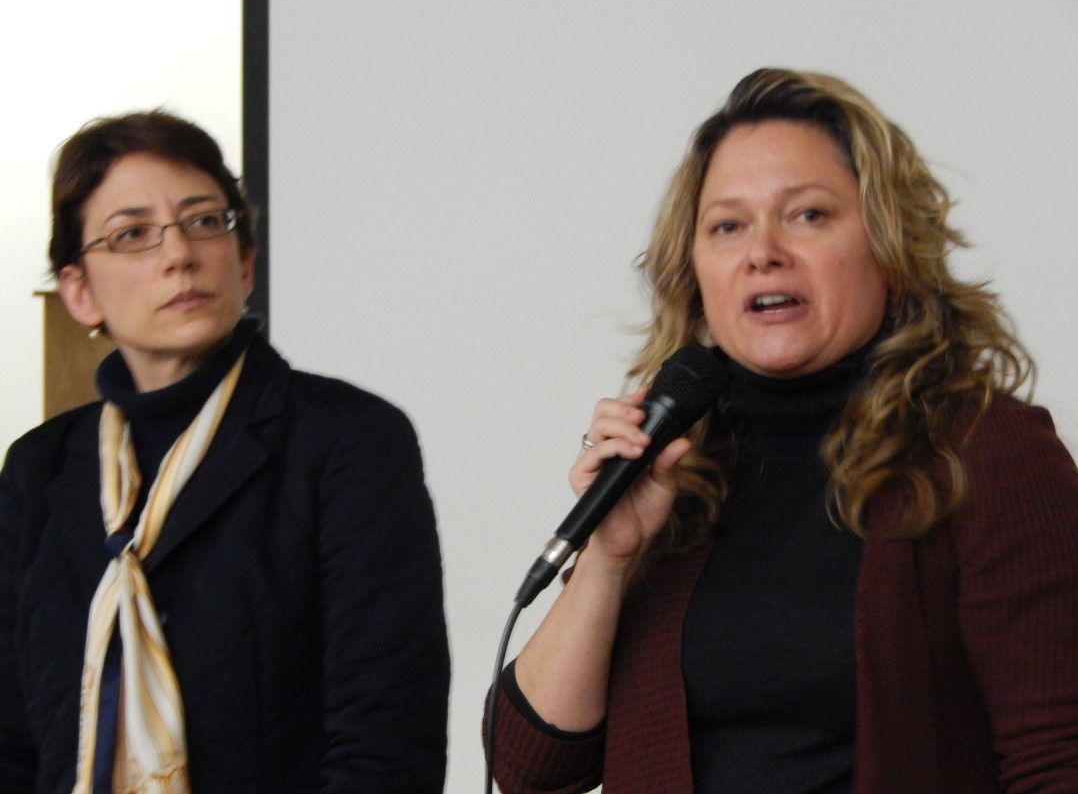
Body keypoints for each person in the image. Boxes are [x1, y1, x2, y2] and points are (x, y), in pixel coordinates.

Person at [487, 69, 1078, 794]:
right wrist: (609, 557)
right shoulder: (676, 472)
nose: (762, 251)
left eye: (808, 215)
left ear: (889, 249)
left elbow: (1058, 760)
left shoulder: (987, 453)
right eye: (727, 226)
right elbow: (529, 767)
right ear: (696, 269)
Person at [0, 111, 450, 793]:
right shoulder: (40, 470)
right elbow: (11, 738)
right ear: (79, 291)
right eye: (133, 235)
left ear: (244, 257)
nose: (179, 253)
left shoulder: (347, 441)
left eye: (205, 221)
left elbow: (386, 742)